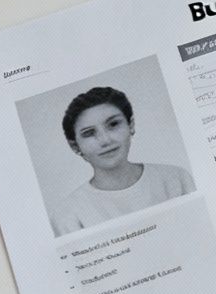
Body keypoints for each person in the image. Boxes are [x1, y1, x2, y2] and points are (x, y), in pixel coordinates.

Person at [48, 86, 194, 236]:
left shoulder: (176, 179)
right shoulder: (68, 214)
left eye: (113, 124)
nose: (105, 140)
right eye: (89, 133)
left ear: (130, 125)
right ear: (75, 146)